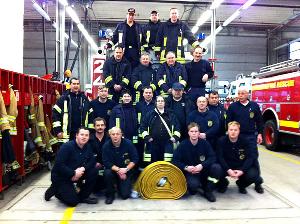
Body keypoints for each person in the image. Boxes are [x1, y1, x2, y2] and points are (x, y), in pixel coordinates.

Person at [44, 127, 98, 206]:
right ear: (76, 135)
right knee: (73, 202)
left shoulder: (88, 147)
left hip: (77, 173)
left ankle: (83, 196)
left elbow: (92, 161)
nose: (84, 137)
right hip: (62, 176)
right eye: (82, 134)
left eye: (86, 135)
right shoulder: (67, 147)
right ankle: (55, 189)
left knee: (93, 171)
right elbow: (59, 165)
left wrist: (83, 169)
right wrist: (73, 173)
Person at [226, 86, 264, 194]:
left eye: (243, 93)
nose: (240, 95)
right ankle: (242, 182)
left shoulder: (254, 106)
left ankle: (258, 183)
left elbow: (260, 121)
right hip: (237, 137)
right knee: (239, 159)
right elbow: (228, 122)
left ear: (248, 94)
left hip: (251, 137)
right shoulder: (233, 107)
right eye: (239, 93)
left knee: (254, 159)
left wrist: (260, 134)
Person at [172, 122, 222, 202]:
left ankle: (208, 190)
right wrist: (186, 167)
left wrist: (202, 165)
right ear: (188, 133)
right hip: (190, 173)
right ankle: (197, 186)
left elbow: (212, 157)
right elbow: (175, 160)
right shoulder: (183, 145)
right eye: (192, 131)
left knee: (217, 168)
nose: (194, 133)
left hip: (203, 170)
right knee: (193, 188)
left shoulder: (205, 143)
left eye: (196, 131)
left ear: (199, 133)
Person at [216, 121, 262, 194]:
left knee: (253, 174)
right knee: (215, 169)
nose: (233, 132)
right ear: (227, 131)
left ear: (239, 131)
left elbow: (250, 158)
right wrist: (228, 170)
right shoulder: (221, 141)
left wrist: (242, 170)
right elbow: (220, 157)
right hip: (227, 166)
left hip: (240, 166)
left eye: (235, 130)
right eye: (231, 130)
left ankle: (241, 184)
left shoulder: (245, 141)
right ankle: (223, 183)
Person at [102, 127, 139, 204]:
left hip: (126, 171)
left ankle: (119, 186)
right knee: (107, 173)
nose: (115, 136)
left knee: (125, 195)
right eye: (113, 134)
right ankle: (110, 195)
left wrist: (126, 169)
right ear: (110, 135)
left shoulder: (128, 144)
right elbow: (106, 162)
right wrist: (119, 170)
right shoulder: (106, 146)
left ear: (121, 135)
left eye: (117, 134)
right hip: (113, 170)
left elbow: (135, 159)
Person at [140, 95, 181, 163]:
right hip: (153, 143)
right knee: (154, 164)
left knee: (167, 164)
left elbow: (177, 127)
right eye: (158, 101)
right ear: (156, 103)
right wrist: (147, 137)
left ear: (164, 103)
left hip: (168, 143)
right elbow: (142, 127)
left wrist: (175, 137)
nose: (160, 102)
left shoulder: (171, 114)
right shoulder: (150, 114)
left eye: (162, 101)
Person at [52, 78, 94, 142]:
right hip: (66, 135)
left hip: (82, 134)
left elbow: (91, 115)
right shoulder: (63, 99)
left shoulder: (84, 99)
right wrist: (58, 131)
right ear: (70, 85)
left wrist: (90, 131)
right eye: (74, 84)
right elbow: (55, 115)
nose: (76, 86)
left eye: (77, 84)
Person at [135, 87, 156, 166]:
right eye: (146, 93)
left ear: (152, 94)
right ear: (143, 94)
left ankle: (149, 167)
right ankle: (140, 167)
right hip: (141, 132)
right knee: (140, 150)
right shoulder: (138, 105)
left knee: (150, 151)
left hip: (152, 132)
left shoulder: (156, 105)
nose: (148, 94)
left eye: (150, 93)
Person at [89, 117, 108, 193]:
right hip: (94, 165)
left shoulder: (110, 138)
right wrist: (94, 163)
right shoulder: (89, 139)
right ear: (94, 127)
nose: (100, 127)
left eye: (102, 125)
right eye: (98, 125)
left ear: (105, 126)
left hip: (107, 165)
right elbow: (87, 154)